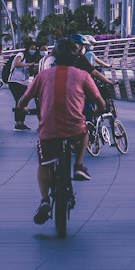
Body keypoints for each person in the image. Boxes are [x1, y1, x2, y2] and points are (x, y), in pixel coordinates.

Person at [19, 37, 106, 225]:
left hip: (49, 128)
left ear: (54, 56)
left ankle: (44, 201)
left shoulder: (43, 76)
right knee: (85, 131)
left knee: (44, 164)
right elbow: (100, 102)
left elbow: (24, 100)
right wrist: (99, 109)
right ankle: (79, 165)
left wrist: (22, 109)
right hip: (75, 128)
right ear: (76, 58)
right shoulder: (83, 76)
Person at [5, 42, 32, 129]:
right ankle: (18, 123)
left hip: (24, 82)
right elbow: (17, 63)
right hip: (15, 81)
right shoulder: (21, 54)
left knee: (23, 102)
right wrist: (28, 64)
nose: (33, 50)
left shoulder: (30, 58)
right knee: (19, 101)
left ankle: (21, 122)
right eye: (32, 48)